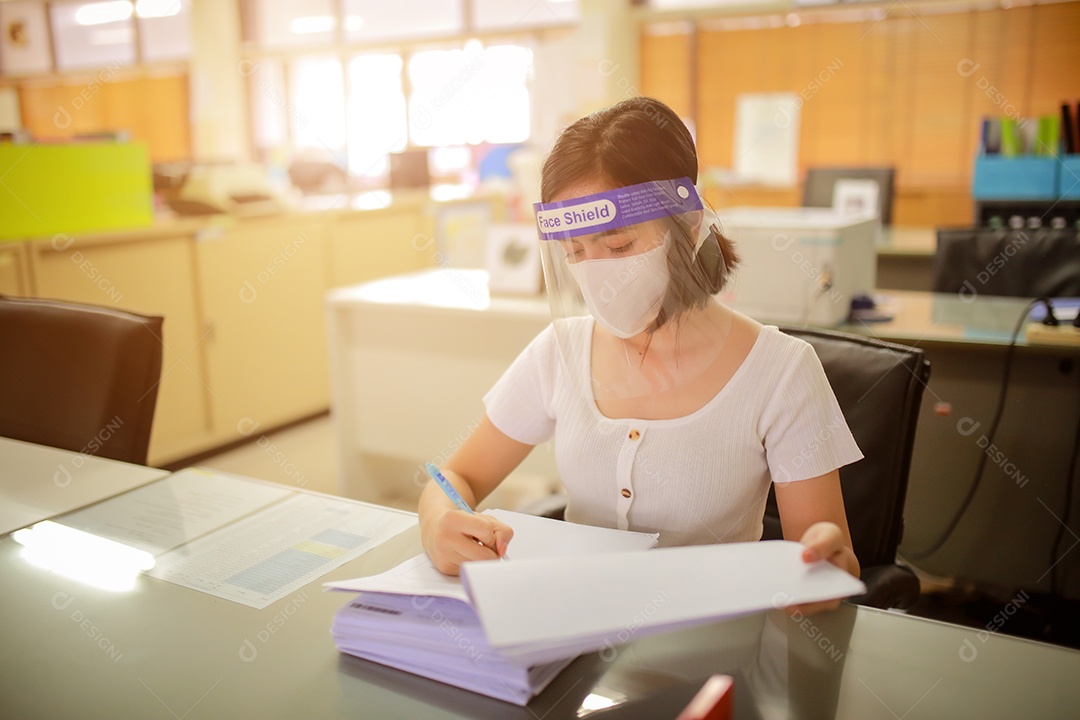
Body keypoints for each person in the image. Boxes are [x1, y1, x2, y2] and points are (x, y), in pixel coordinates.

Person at [419, 96, 862, 614]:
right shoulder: (560, 352)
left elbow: (829, 561)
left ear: (689, 226)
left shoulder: (782, 371)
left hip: (713, 649)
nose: (597, 274)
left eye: (620, 246)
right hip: (575, 638)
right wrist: (437, 523)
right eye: (576, 254)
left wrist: (825, 568)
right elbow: (458, 478)